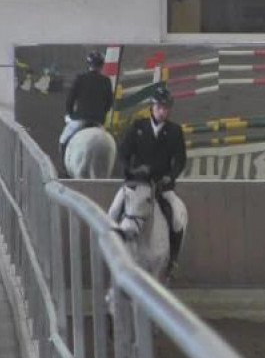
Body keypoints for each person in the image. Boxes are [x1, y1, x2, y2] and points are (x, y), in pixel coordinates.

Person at [118, 83, 187, 278]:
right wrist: (131, 170)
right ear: (152, 107)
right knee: (114, 209)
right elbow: (123, 153)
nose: (162, 112)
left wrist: (170, 176)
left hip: (160, 185)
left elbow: (180, 160)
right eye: (159, 107)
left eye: (165, 108)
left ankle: (172, 260)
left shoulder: (175, 131)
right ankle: (112, 251)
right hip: (136, 184)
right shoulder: (138, 127)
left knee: (176, 216)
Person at [58, 50, 114, 162]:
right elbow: (109, 103)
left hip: (80, 119)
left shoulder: (80, 78)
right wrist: (102, 114)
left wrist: (71, 114)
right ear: (102, 66)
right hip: (98, 121)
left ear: (89, 64)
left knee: (63, 140)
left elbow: (70, 100)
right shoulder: (106, 81)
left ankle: (64, 164)